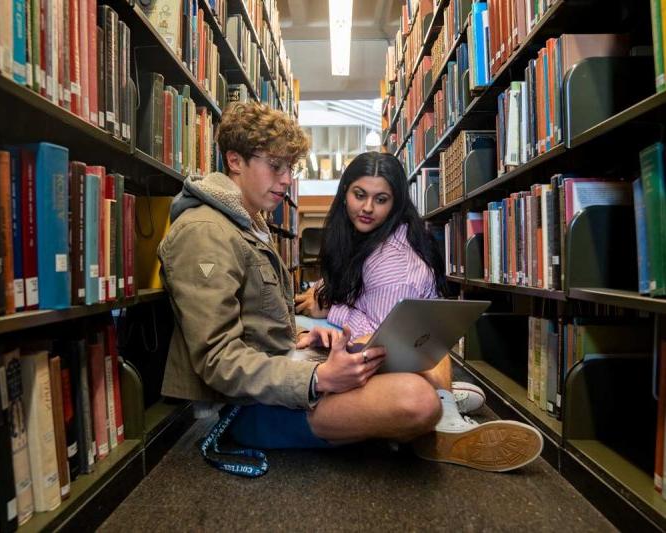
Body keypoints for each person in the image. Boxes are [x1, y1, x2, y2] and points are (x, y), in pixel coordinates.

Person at [158, 102, 542, 474]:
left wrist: (302, 336)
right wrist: (319, 379)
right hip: (242, 408)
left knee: (420, 351)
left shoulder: (247, 223)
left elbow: (254, 323)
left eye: (290, 168)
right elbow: (216, 361)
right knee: (416, 399)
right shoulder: (206, 233)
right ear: (235, 160)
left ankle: (429, 414)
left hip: (280, 379)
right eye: (275, 166)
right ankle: (433, 421)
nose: (287, 179)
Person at [294, 151, 544, 468]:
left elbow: (382, 340)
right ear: (345, 193)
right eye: (360, 195)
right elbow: (359, 298)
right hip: (417, 351)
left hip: (400, 356)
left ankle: (441, 418)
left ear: (395, 203)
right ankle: (445, 398)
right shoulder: (372, 238)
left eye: (381, 199)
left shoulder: (394, 266)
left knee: (365, 370)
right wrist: (327, 297)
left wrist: (331, 309)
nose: (367, 208)